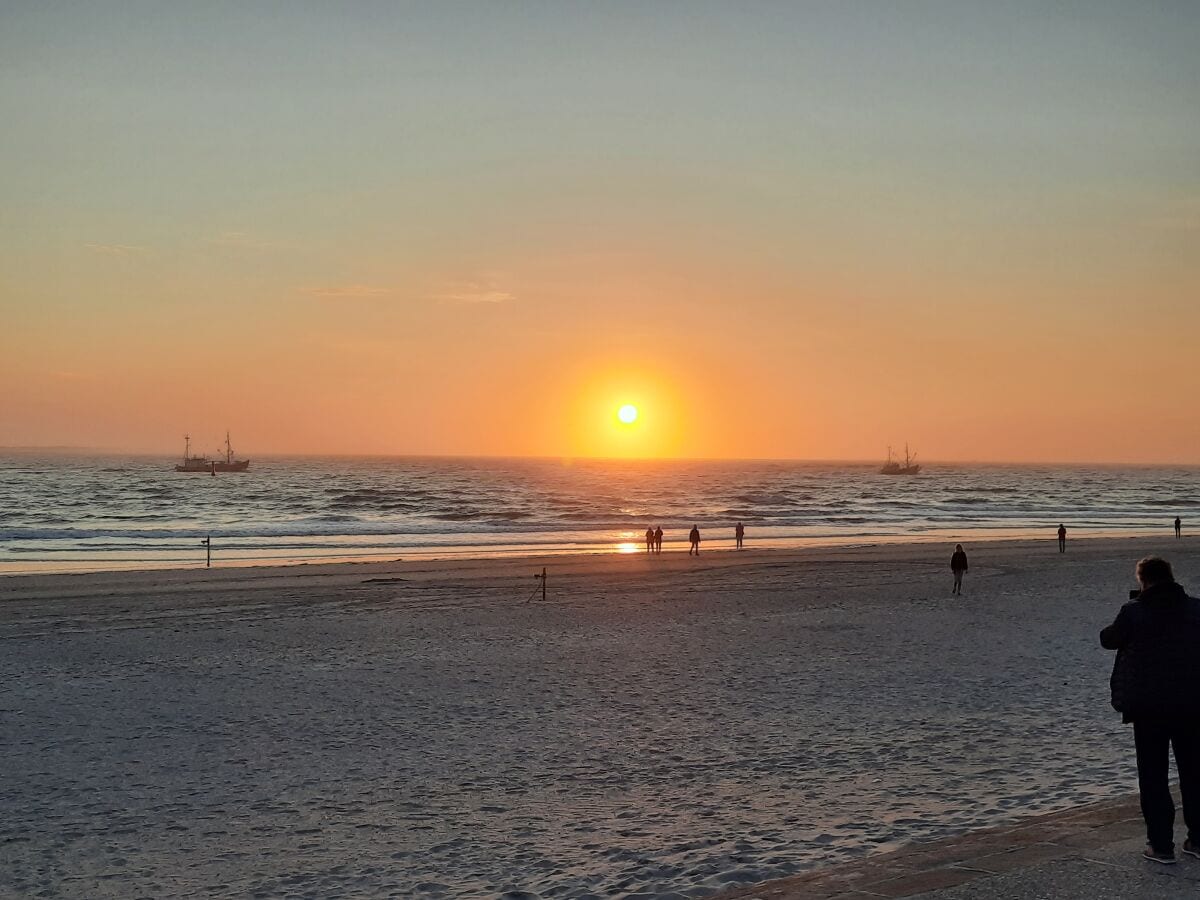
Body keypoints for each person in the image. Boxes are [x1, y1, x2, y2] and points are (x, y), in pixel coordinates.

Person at [1101, 557, 1200, 864]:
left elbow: (1108, 639)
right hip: (1192, 702)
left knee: (1153, 776)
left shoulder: (1134, 612)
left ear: (1143, 580)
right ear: (1171, 577)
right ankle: (1198, 840)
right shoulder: (1196, 608)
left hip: (1149, 706)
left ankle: (1161, 845)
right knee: (1195, 773)